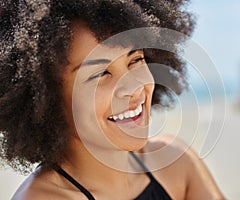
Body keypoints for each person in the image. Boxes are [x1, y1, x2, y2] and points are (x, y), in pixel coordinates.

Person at [0, 0, 225, 199]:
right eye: (100, 74)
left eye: (135, 59)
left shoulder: (176, 165)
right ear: (45, 99)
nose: (134, 87)